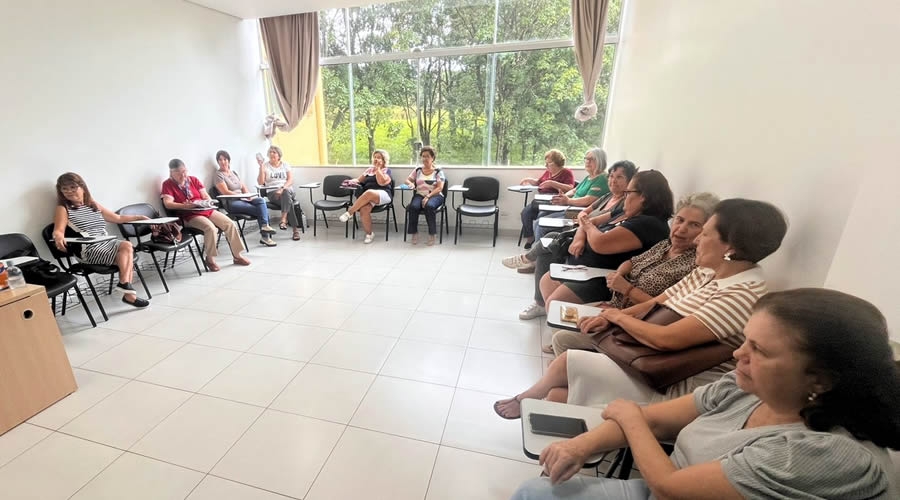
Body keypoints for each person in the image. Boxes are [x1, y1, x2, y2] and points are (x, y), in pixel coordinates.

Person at [511, 288, 900, 500]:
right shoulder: (750, 386)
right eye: (745, 340)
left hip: (667, 488)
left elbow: (670, 486)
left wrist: (629, 416)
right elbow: (656, 419)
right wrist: (580, 446)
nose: (738, 354)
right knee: (534, 491)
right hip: (658, 487)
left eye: (759, 350)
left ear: (821, 380)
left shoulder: (828, 454)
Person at [493, 198, 788, 419]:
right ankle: (564, 412)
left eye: (705, 232)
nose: (696, 238)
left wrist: (616, 316)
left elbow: (667, 339)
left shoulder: (741, 293)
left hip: (675, 380)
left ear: (731, 247)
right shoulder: (709, 271)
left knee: (562, 376)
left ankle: (535, 403)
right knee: (561, 375)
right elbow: (658, 301)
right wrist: (612, 317)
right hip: (650, 351)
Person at [545, 192, 720, 356]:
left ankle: (571, 364)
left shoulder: (695, 265)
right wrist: (619, 274)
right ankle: (569, 364)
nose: (681, 229)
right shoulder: (665, 246)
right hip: (614, 304)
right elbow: (632, 261)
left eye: (694, 225)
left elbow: (666, 310)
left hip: (637, 321)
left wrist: (626, 289)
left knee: (563, 336)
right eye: (680, 220)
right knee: (560, 315)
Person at [510, 170, 675, 321]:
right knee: (547, 280)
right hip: (582, 266)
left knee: (555, 303)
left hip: (601, 278)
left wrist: (587, 227)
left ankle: (569, 330)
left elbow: (599, 243)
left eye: (628, 192)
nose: (625, 196)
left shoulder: (648, 224)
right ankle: (560, 325)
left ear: (643, 196)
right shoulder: (624, 211)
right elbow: (589, 220)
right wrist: (580, 236)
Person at [515, 160, 635, 274]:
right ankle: (531, 259)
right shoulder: (607, 195)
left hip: (580, 222)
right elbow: (584, 211)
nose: (613, 180)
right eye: (612, 176)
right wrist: (567, 201)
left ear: (630, 181)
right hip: (578, 220)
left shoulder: (624, 204)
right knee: (542, 223)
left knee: (545, 230)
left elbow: (590, 212)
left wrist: (571, 206)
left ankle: (528, 259)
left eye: (619, 177)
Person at [52, 173, 150, 308]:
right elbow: (58, 230)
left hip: (107, 243)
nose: (69, 191)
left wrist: (140, 217)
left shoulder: (93, 204)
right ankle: (127, 291)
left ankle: (126, 288)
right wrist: (58, 237)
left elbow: (117, 218)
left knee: (127, 246)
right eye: (64, 189)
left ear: (82, 187)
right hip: (88, 248)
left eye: (73, 187)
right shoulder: (63, 208)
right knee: (126, 255)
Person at [161, 159, 250, 272]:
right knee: (210, 228)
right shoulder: (167, 184)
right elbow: (168, 204)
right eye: (179, 173)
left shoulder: (193, 180)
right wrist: (184, 206)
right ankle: (210, 259)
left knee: (229, 224)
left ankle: (237, 256)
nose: (183, 175)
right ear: (171, 173)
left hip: (204, 210)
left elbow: (205, 195)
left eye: (184, 171)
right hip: (188, 215)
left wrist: (207, 202)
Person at [531, 148, 610, 241]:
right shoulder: (589, 177)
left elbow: (589, 200)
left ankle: (543, 249)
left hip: (578, 213)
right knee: (541, 215)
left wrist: (568, 201)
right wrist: (563, 197)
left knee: (540, 225)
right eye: (586, 159)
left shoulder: (602, 179)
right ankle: (542, 246)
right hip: (570, 208)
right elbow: (574, 191)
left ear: (600, 161)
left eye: (591, 159)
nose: (587, 162)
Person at [213, 150, 276, 247]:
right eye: (220, 160)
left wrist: (248, 196)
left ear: (229, 160)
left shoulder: (233, 173)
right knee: (261, 210)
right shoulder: (218, 175)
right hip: (232, 203)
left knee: (261, 200)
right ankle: (265, 236)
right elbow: (225, 192)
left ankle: (264, 228)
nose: (223, 162)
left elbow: (243, 186)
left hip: (243, 199)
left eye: (225, 159)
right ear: (218, 162)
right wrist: (241, 196)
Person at [519, 150, 575, 249]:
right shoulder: (548, 172)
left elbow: (570, 188)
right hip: (541, 199)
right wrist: (529, 180)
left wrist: (552, 183)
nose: (546, 165)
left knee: (541, 215)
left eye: (549, 163)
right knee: (525, 213)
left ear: (557, 163)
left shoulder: (566, 172)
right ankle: (530, 237)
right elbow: (539, 183)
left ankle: (540, 244)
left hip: (554, 200)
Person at [338, 149, 393, 244]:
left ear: (384, 160)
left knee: (369, 192)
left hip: (383, 195)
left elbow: (381, 182)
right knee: (364, 209)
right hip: (369, 196)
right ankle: (369, 234)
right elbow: (359, 180)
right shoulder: (369, 170)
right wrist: (349, 182)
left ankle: (350, 212)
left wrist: (378, 169)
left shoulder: (386, 170)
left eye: (379, 157)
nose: (376, 159)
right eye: (375, 157)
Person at [256, 145, 301, 241]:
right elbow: (260, 182)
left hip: (287, 189)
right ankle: (294, 230)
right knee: (289, 202)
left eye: (274, 152)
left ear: (279, 155)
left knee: (286, 193)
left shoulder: (285, 164)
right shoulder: (265, 166)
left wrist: (282, 188)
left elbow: (290, 180)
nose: (271, 154)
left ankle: (283, 219)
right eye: (270, 152)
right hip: (273, 193)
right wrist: (261, 167)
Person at [404, 146, 446, 246]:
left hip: (435, 195)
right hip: (419, 194)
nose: (425, 159)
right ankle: (414, 232)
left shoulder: (438, 171)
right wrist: (410, 183)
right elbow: (407, 180)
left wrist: (428, 197)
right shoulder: (418, 170)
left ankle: (432, 234)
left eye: (427, 156)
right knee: (413, 207)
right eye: (423, 156)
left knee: (429, 206)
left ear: (432, 158)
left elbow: (440, 188)